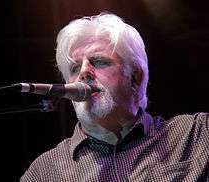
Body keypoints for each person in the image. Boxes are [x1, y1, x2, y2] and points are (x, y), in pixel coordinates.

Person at [20, 12, 208, 181]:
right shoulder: (44, 172)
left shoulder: (197, 135)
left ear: (135, 77)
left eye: (100, 62)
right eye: (75, 68)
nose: (84, 72)